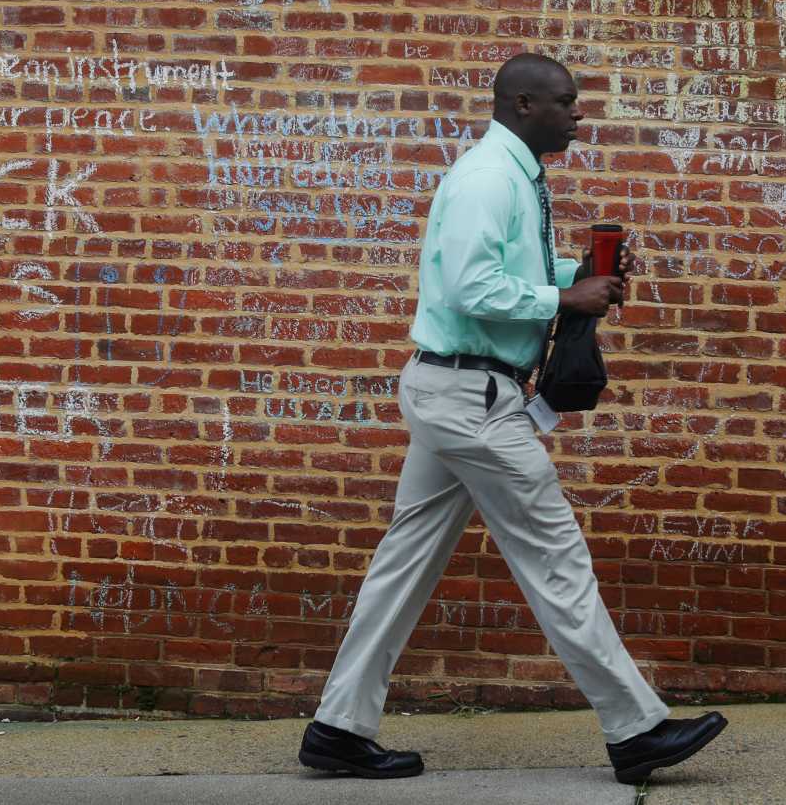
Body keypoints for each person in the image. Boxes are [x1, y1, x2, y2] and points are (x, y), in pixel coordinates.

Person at [298, 53, 727, 785]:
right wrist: (566, 299)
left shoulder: (514, 173)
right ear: (524, 104)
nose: (579, 114)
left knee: (403, 565)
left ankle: (337, 729)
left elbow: (503, 270)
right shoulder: (489, 178)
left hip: (454, 393)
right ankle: (636, 729)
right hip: (472, 400)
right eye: (567, 101)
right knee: (555, 555)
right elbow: (469, 287)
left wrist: (577, 273)